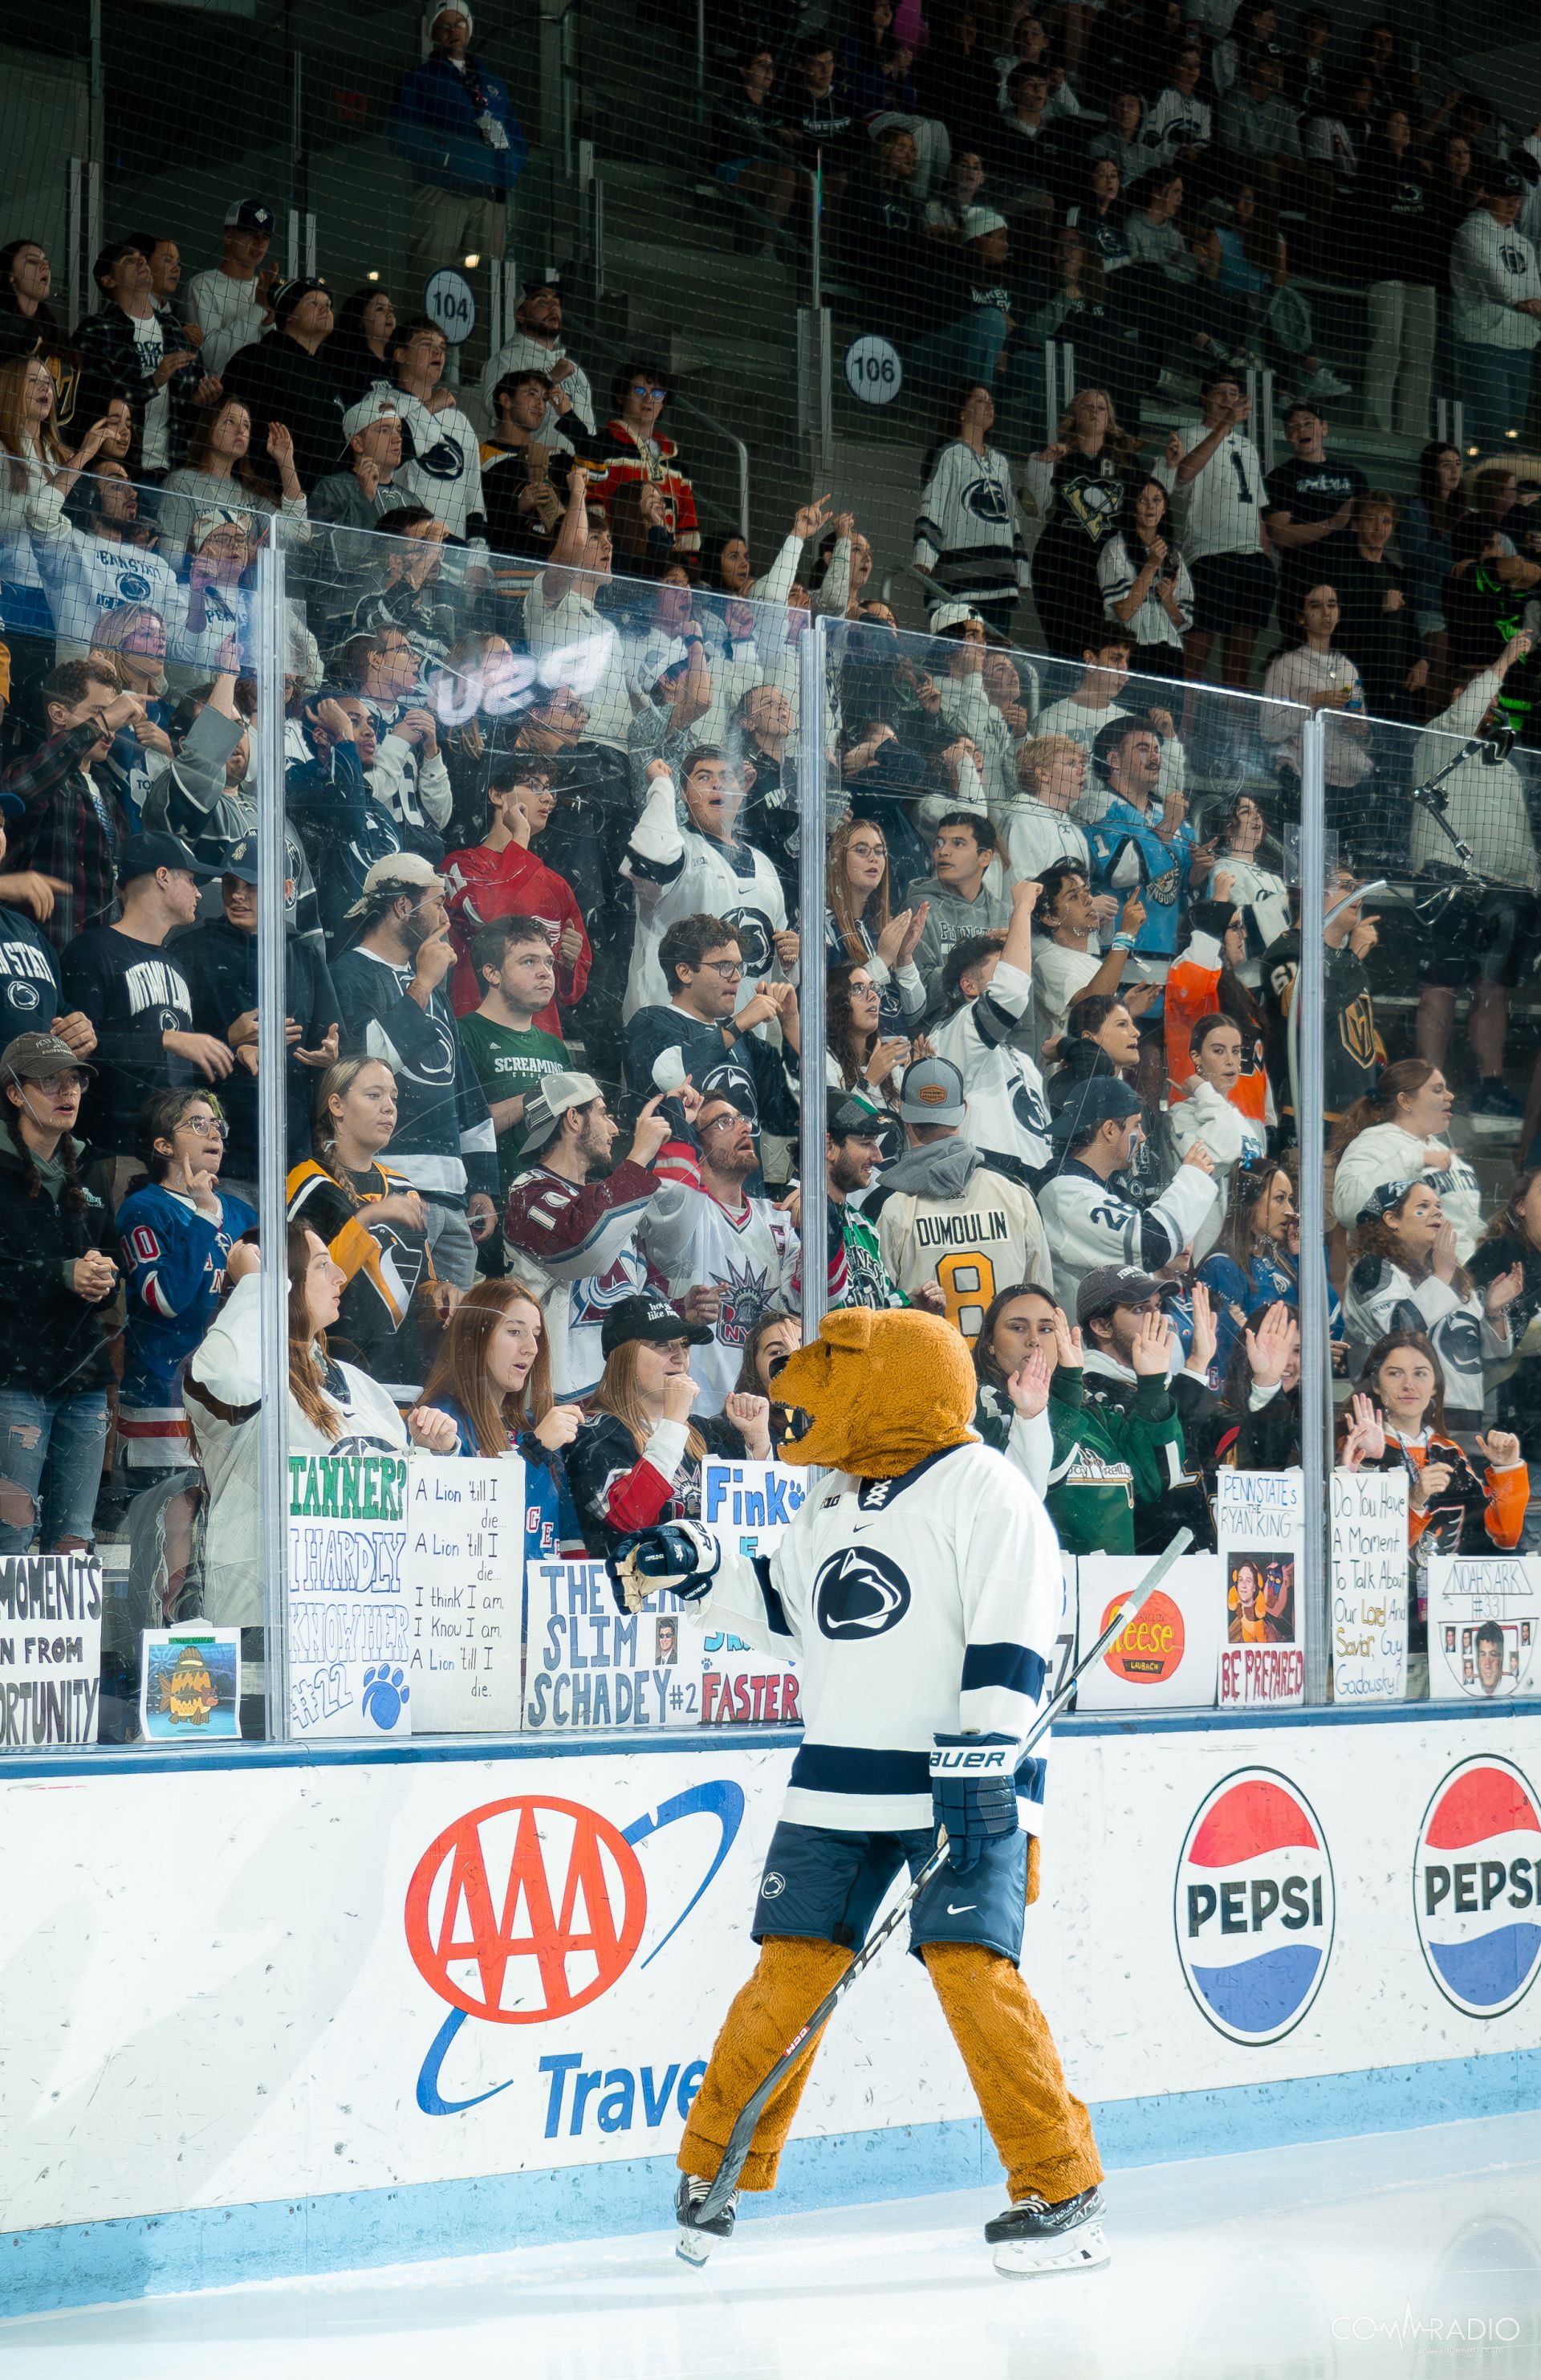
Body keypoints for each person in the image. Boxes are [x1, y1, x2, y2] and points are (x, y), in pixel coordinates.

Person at [617, 1306, 1108, 2280]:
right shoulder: (831, 1497)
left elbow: (1013, 1637)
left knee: (975, 1973)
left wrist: (984, 1763)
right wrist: (702, 1564)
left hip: (965, 1783)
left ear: (899, 1382)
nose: (807, 1391)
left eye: (839, 1367)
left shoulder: (987, 1490)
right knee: (787, 1980)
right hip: (838, 1781)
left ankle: (1061, 2183)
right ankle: (718, 2167)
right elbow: (792, 1610)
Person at [185, 1223, 453, 1629]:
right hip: (264, 1628)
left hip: (357, 1629)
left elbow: (404, 1506)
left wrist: (433, 1450)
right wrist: (257, 1285)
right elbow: (232, 1379)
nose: (341, 1276)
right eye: (322, 1265)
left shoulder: (360, 1384)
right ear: (284, 1280)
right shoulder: (240, 1368)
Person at [328, 851, 498, 1288]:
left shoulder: (432, 984)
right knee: (399, 1334)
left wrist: (481, 1181)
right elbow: (363, 1067)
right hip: (387, 1186)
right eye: (437, 903)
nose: (444, 915)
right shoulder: (349, 974)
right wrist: (421, 985)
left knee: (453, 1345)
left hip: (452, 1196)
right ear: (403, 906)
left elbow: (463, 1086)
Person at [1336, 1332, 1527, 1682]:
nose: (1408, 1384)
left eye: (1420, 1373)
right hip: (1381, 1636)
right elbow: (1355, 1550)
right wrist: (1411, 1498)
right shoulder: (1359, 1446)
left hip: (1450, 1633)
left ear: (1436, 1387)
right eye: (1394, 1373)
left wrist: (1506, 1470)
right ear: (1376, 1385)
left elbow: (1500, 1539)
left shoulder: (1450, 1453)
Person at [0, 1031, 118, 1554]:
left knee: (75, 1538)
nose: (66, 1091)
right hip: (12, 1377)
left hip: (84, 1378)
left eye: (74, 1079)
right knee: (11, 1533)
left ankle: (67, 1642)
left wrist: (103, 1275)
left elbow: (115, 1264)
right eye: (49, 1081)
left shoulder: (90, 1166)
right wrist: (61, 1273)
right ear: (13, 1092)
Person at [60, 833, 230, 1186]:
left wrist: (232, 1047)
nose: (200, 893)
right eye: (192, 879)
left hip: (177, 1161)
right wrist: (165, 1040)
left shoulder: (177, 964)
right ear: (163, 876)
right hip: (116, 1155)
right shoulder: (92, 951)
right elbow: (75, 1051)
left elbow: (181, 1059)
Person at [176, 835, 339, 1194]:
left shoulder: (304, 955)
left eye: (252, 886)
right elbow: (167, 1059)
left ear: (285, 890)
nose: (237, 895)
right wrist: (227, 1039)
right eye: (231, 883)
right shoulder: (190, 949)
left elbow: (336, 1038)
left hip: (291, 1155)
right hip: (215, 1158)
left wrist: (330, 1057)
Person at [971, 1284, 1185, 1550]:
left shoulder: (1094, 1410)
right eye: (1018, 1328)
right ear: (990, 1343)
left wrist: (1152, 1387)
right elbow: (1027, 1487)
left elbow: (1157, 1481)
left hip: (1115, 1589)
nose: (1034, 1340)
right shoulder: (979, 1412)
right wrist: (1068, 1386)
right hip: (1045, 1586)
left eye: (1046, 1328)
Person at [502, 1071, 676, 1399]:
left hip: (618, 1397)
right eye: (602, 1113)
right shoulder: (527, 1192)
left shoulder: (609, 1197)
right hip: (556, 1403)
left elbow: (640, 1289)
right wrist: (638, 1157)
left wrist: (683, 1309)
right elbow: (584, 1246)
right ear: (573, 1118)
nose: (614, 1128)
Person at [638, 1093, 812, 1412]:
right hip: (694, 1414)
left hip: (772, 1414)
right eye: (724, 1122)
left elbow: (813, 1300)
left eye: (743, 1119)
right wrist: (678, 1118)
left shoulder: (778, 1218)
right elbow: (671, 1201)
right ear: (697, 1143)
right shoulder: (684, 1212)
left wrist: (818, 1225)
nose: (744, 1129)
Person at [116, 1088, 258, 1479]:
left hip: (231, 1399)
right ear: (163, 1145)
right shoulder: (145, 1208)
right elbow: (165, 1298)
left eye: (216, 1125)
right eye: (198, 1124)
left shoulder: (243, 1213)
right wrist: (205, 1215)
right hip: (163, 1401)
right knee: (169, 1531)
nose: (214, 1133)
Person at [565, 1291, 768, 1558]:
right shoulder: (591, 1435)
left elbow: (753, 1525)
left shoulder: (705, 1432)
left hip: (706, 1592)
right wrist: (673, 1419)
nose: (680, 1356)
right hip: (634, 1595)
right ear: (624, 1357)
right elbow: (628, 1523)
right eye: (662, 1344)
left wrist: (757, 1444)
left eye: (684, 1344)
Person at [866, 1056, 1050, 1331]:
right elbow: (1044, 1305)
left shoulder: (885, 1205)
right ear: (963, 1109)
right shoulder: (1016, 1193)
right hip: (1010, 1372)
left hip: (928, 1371)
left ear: (902, 1110)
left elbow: (874, 1317)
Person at [420, 1279, 587, 1564]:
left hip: (545, 1605)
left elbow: (571, 1544)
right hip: (479, 1602)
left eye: (535, 1335)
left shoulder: (535, 1427)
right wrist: (534, 1452)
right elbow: (458, 1533)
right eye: (514, 1332)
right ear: (474, 1337)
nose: (532, 1348)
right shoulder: (440, 1424)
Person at [624, 751, 794, 1024]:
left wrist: (789, 959)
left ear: (741, 792)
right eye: (704, 777)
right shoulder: (676, 847)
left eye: (727, 777)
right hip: (669, 1031)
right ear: (683, 793)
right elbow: (649, 857)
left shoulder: (765, 866)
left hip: (745, 1041)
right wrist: (661, 786)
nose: (717, 785)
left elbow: (773, 969)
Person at [1342, 1178, 1518, 1431]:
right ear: (1391, 1219)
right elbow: (1399, 1330)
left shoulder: (1453, 1276)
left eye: (1438, 1206)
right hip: (1403, 1421)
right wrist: (1442, 1274)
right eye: (1423, 1206)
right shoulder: (1373, 1269)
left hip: (1468, 1421)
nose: (1437, 1211)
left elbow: (1491, 1355)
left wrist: (1493, 1311)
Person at [622, 911, 796, 1159]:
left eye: (739, 966)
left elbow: (791, 1116)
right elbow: (671, 1072)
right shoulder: (651, 1021)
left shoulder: (744, 1041)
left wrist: (791, 1024)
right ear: (684, 972)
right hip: (681, 1190)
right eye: (724, 966)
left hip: (744, 1194)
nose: (737, 977)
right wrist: (739, 1023)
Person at [1038, 1076, 1218, 1307]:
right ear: (1110, 1130)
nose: (1143, 1137)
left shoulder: (1096, 1187)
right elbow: (1153, 1244)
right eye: (1136, 1125)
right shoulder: (1067, 1193)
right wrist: (1193, 1178)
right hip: (1079, 1337)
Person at [388, 2, 527, 287]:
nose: (454, 31)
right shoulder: (420, 79)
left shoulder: (494, 84)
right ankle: (418, 333)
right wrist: (444, 159)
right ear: (433, 32)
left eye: (460, 23)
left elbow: (518, 142)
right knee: (429, 277)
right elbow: (400, 134)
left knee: (491, 284)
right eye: (445, 25)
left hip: (489, 198)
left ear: (470, 28)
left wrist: (506, 173)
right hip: (440, 191)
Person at [441, 759, 589, 1019]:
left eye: (549, 789)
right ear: (497, 795)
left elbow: (572, 992)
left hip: (540, 1039)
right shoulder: (460, 865)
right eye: (533, 786)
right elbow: (488, 917)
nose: (548, 799)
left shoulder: (557, 885)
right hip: (480, 1032)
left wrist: (569, 962)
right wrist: (519, 837)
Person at [929, 881, 1055, 1183]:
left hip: (1032, 1191)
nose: (1017, 972)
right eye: (1002, 968)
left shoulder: (1020, 1059)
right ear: (968, 986)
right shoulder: (952, 1037)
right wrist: (1022, 907)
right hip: (986, 1193)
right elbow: (1010, 991)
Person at [1156, 373, 1275, 692]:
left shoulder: (1248, 446)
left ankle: (1234, 740)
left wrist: (1266, 555)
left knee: (1237, 670)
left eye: (1234, 394)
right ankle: (1181, 737)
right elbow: (1182, 476)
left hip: (1252, 562)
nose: (1227, 399)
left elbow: (1258, 508)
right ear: (1204, 399)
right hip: (1208, 559)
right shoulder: (1187, 435)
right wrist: (1222, 428)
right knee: (1193, 667)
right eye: (1220, 392)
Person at [453, 917, 569, 1205]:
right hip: (489, 1201)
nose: (544, 973)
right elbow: (455, 1127)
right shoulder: (463, 1034)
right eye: (529, 962)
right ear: (492, 973)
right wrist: (538, 1096)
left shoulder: (554, 1047)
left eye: (549, 962)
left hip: (552, 1203)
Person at [1084, 714, 1197, 993]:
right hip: (1116, 961)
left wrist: (1201, 871)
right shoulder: (1097, 807)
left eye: (1157, 750)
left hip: (1167, 960)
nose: (1154, 757)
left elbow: (1184, 883)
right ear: (1113, 760)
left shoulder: (1169, 814)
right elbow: (1124, 872)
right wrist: (1169, 826)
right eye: (1142, 750)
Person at [1022, 389, 1138, 657]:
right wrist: (1044, 464)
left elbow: (1149, 509)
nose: (1094, 413)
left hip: (1106, 572)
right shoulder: (1059, 456)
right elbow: (1035, 507)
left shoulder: (1127, 463)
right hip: (1059, 568)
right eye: (1087, 406)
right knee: (1064, 652)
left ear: (1109, 418)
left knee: (1100, 651)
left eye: (1101, 408)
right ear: (1074, 414)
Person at [76, 241, 205, 480]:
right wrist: (154, 380)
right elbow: (94, 402)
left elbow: (191, 403)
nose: (141, 261)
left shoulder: (174, 330)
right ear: (108, 280)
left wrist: (202, 397)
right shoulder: (95, 331)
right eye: (128, 261)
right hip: (118, 470)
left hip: (174, 472)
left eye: (141, 258)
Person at [1331, 1059, 1484, 1260]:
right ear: (1405, 1101)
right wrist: (1415, 1160)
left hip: (1458, 1279)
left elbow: (1465, 1224)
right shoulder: (1373, 1143)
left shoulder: (1439, 1148)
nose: (1450, 1096)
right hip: (1405, 1280)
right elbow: (1348, 1208)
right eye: (1438, 1090)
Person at [913, 384, 1030, 635]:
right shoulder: (948, 455)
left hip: (1000, 583)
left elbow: (1013, 520)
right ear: (961, 412)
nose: (989, 405)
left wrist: (1021, 571)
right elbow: (933, 506)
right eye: (979, 400)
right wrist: (924, 556)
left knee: (995, 663)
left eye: (991, 401)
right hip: (957, 582)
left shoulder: (1001, 461)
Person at [157, 394, 307, 573]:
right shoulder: (182, 483)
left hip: (247, 599)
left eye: (246, 425)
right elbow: (170, 561)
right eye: (230, 421)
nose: (241, 431)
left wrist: (286, 462)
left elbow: (300, 533)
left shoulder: (252, 494)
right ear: (208, 428)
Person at [220, 279, 343, 496]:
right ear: (289, 316)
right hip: (269, 494)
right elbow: (232, 417)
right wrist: (247, 473)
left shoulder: (328, 373)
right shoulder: (258, 357)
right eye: (313, 303)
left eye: (328, 304)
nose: (325, 309)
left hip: (324, 501)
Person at [1449, 164, 1541, 454]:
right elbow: (1490, 276)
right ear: (1487, 194)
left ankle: (1503, 483)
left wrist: (1533, 306)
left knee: (1514, 425)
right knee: (1493, 420)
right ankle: (1479, 481)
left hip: (1520, 342)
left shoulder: (1524, 244)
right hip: (1483, 339)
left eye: (1517, 197)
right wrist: (1518, 302)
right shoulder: (1471, 232)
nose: (1513, 203)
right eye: (1505, 196)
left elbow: (1534, 288)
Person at [1258, 584, 1372, 819]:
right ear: (1300, 617)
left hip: (1350, 785)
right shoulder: (1285, 666)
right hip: (1302, 781)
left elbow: (1364, 733)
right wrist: (1314, 703)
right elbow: (1267, 729)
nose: (1326, 612)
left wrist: (1360, 730)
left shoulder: (1349, 668)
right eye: (1316, 605)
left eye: (1332, 605)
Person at [586, 361, 700, 575]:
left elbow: (688, 522)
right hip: (619, 564)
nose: (649, 399)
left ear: (665, 401)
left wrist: (687, 571)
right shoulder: (601, 447)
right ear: (620, 396)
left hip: (668, 571)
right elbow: (594, 511)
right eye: (639, 390)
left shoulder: (675, 461)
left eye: (658, 393)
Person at [1262, 401, 1366, 627]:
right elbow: (1280, 537)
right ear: (1287, 435)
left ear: (1324, 429)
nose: (1301, 430)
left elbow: (1369, 528)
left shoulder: (1353, 475)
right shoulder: (1279, 477)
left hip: (1352, 581)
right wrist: (1332, 523)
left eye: (1308, 423)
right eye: (1293, 426)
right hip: (1303, 581)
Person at [1031, 863, 1147, 1060]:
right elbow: (1092, 1007)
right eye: (1074, 897)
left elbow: (1101, 1020)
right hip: (1074, 1078)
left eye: (1087, 891)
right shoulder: (1047, 961)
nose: (1088, 900)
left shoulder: (1091, 963)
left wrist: (1127, 1007)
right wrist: (1125, 935)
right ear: (1050, 917)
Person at [907, 811, 1011, 1007]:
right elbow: (920, 993)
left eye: (958, 843)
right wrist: (977, 953)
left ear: (985, 857)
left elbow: (1019, 992)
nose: (943, 851)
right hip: (937, 1032)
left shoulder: (1006, 915)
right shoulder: (920, 907)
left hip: (996, 1030)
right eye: (939, 843)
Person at [1096, 475, 1193, 679]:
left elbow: (1183, 623)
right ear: (1133, 508)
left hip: (1170, 654)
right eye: (1142, 500)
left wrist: (1168, 601)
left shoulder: (1174, 556)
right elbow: (1123, 612)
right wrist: (1151, 565)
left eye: (1157, 500)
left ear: (1164, 508)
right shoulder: (1116, 548)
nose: (1150, 506)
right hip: (1131, 651)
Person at [478, 271, 595, 440]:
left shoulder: (574, 369)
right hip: (531, 464)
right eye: (542, 302)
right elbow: (494, 407)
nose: (554, 307)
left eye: (556, 302)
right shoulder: (506, 359)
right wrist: (550, 378)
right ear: (520, 314)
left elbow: (590, 430)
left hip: (580, 465)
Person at [179, 199, 279, 380]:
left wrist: (269, 321)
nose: (259, 243)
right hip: (220, 399)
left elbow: (277, 359)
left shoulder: (264, 288)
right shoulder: (203, 285)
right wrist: (259, 308)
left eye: (265, 237)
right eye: (251, 233)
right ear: (228, 235)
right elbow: (210, 358)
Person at [479, 369, 572, 559]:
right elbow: (478, 521)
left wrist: (568, 415)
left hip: (553, 573)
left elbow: (597, 467)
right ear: (506, 401)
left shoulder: (557, 457)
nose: (540, 405)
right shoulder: (481, 455)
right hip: (504, 567)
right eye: (531, 394)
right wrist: (518, 506)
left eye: (545, 399)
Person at [327, 288, 400, 413]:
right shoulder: (347, 363)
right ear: (360, 319)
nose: (389, 315)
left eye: (391, 310)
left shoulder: (397, 364)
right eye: (380, 309)